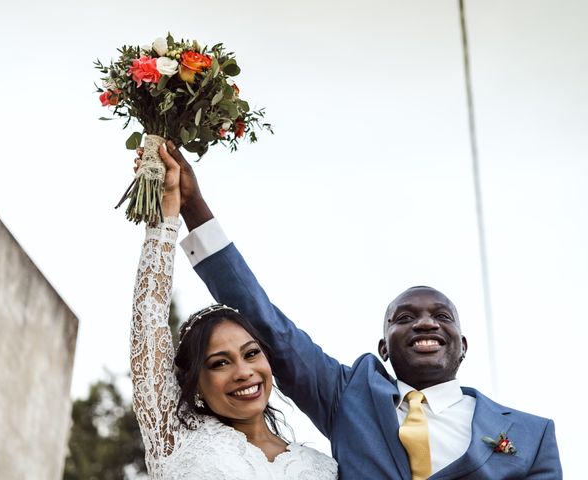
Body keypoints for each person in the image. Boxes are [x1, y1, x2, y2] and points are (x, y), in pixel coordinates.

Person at [156, 141, 563, 479]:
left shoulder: (532, 434)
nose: (425, 322)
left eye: (442, 316)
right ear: (383, 348)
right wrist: (194, 206)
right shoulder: (348, 397)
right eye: (404, 318)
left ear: (463, 345)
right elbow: (266, 325)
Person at [129, 144, 338, 479]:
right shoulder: (176, 436)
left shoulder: (325, 468)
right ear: (194, 381)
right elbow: (149, 325)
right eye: (219, 363)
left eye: (251, 353)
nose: (243, 372)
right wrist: (166, 218)